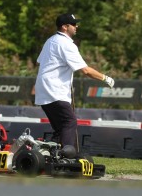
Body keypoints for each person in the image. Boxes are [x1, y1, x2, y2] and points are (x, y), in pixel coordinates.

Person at [35, 13, 115, 150]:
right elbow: (85, 70)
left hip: (43, 91)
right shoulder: (66, 44)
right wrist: (105, 78)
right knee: (69, 122)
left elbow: (39, 62)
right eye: (73, 24)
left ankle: (52, 155)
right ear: (65, 27)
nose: (76, 26)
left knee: (60, 128)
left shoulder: (50, 40)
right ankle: (67, 156)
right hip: (55, 90)